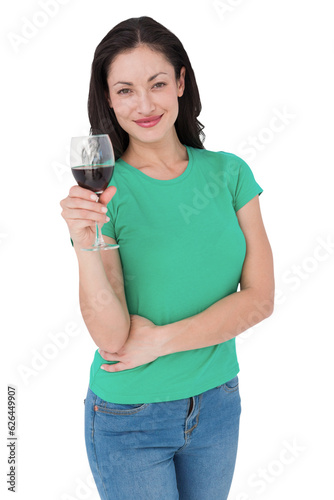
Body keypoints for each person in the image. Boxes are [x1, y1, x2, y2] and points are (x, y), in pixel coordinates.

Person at [60, 16, 274, 500]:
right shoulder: (104, 196)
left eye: (157, 84)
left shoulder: (230, 173)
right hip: (131, 417)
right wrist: (85, 241)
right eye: (126, 90)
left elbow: (259, 299)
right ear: (109, 100)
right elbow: (113, 338)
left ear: (180, 82)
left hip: (218, 404)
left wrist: (160, 342)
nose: (145, 104)